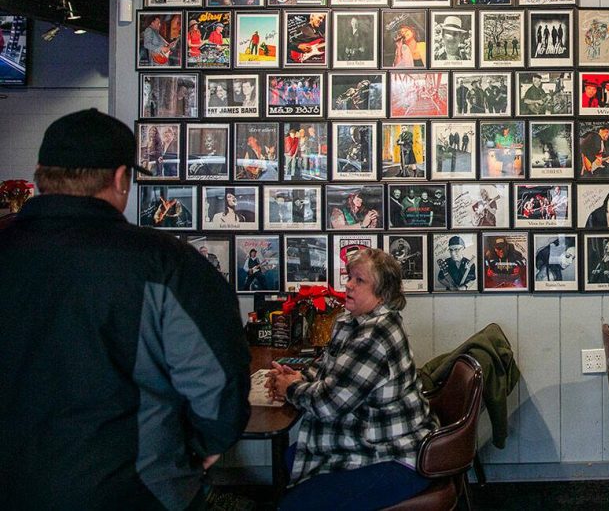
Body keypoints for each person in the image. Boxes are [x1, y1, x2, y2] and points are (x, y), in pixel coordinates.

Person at [0, 109, 250, 508]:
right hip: (130, 490)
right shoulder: (167, 262)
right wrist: (204, 443)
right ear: (120, 178)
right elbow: (216, 380)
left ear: (39, 174)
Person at [265, 248, 435, 510]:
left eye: (359, 280)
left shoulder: (374, 334)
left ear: (382, 293)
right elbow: (328, 368)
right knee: (290, 458)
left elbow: (328, 404)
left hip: (392, 455)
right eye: (350, 277)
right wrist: (298, 376)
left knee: (292, 502)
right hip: (364, 440)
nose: (348, 285)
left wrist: (290, 388)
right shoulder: (351, 321)